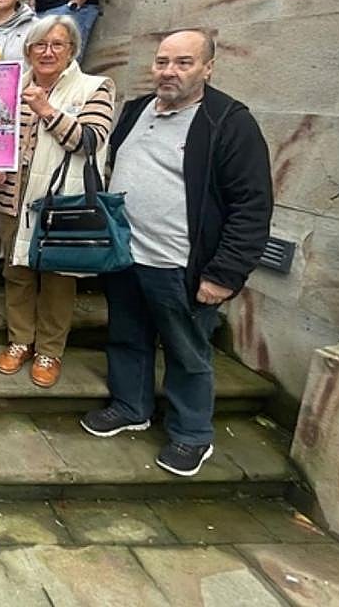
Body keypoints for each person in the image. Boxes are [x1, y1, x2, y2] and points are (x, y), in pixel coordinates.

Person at [81, 30, 272, 477]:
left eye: (184, 62)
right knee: (127, 337)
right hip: (126, 258)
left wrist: (224, 272)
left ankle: (190, 434)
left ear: (208, 67)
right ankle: (131, 407)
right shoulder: (134, 112)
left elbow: (252, 204)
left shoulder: (227, 122)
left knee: (188, 351)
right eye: (163, 61)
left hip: (181, 265)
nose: (169, 71)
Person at [0, 16, 115, 389]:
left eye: (57, 45)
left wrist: (47, 110)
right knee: (17, 273)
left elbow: (91, 141)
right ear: (28, 51)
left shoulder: (94, 88)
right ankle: (19, 341)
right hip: (13, 197)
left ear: (72, 50)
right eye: (39, 46)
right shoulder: (11, 86)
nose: (47, 53)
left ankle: (49, 350)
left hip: (61, 202)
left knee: (58, 278)